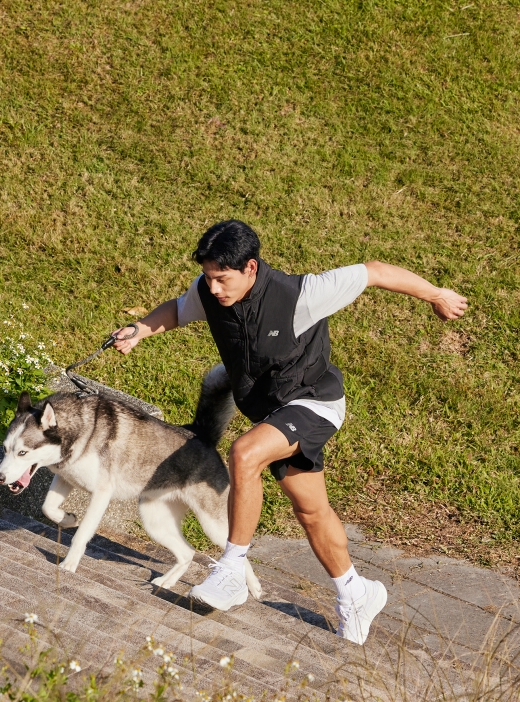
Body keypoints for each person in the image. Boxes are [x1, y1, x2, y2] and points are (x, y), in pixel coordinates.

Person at [112, 219, 467, 644]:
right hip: (273, 412)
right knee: (310, 510)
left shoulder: (302, 294)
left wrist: (437, 294)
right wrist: (139, 330)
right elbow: (177, 309)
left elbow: (373, 271)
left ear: (251, 268)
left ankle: (231, 572)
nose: (214, 288)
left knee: (244, 453)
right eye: (208, 278)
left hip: (315, 401)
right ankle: (356, 592)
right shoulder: (209, 291)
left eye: (222, 278)